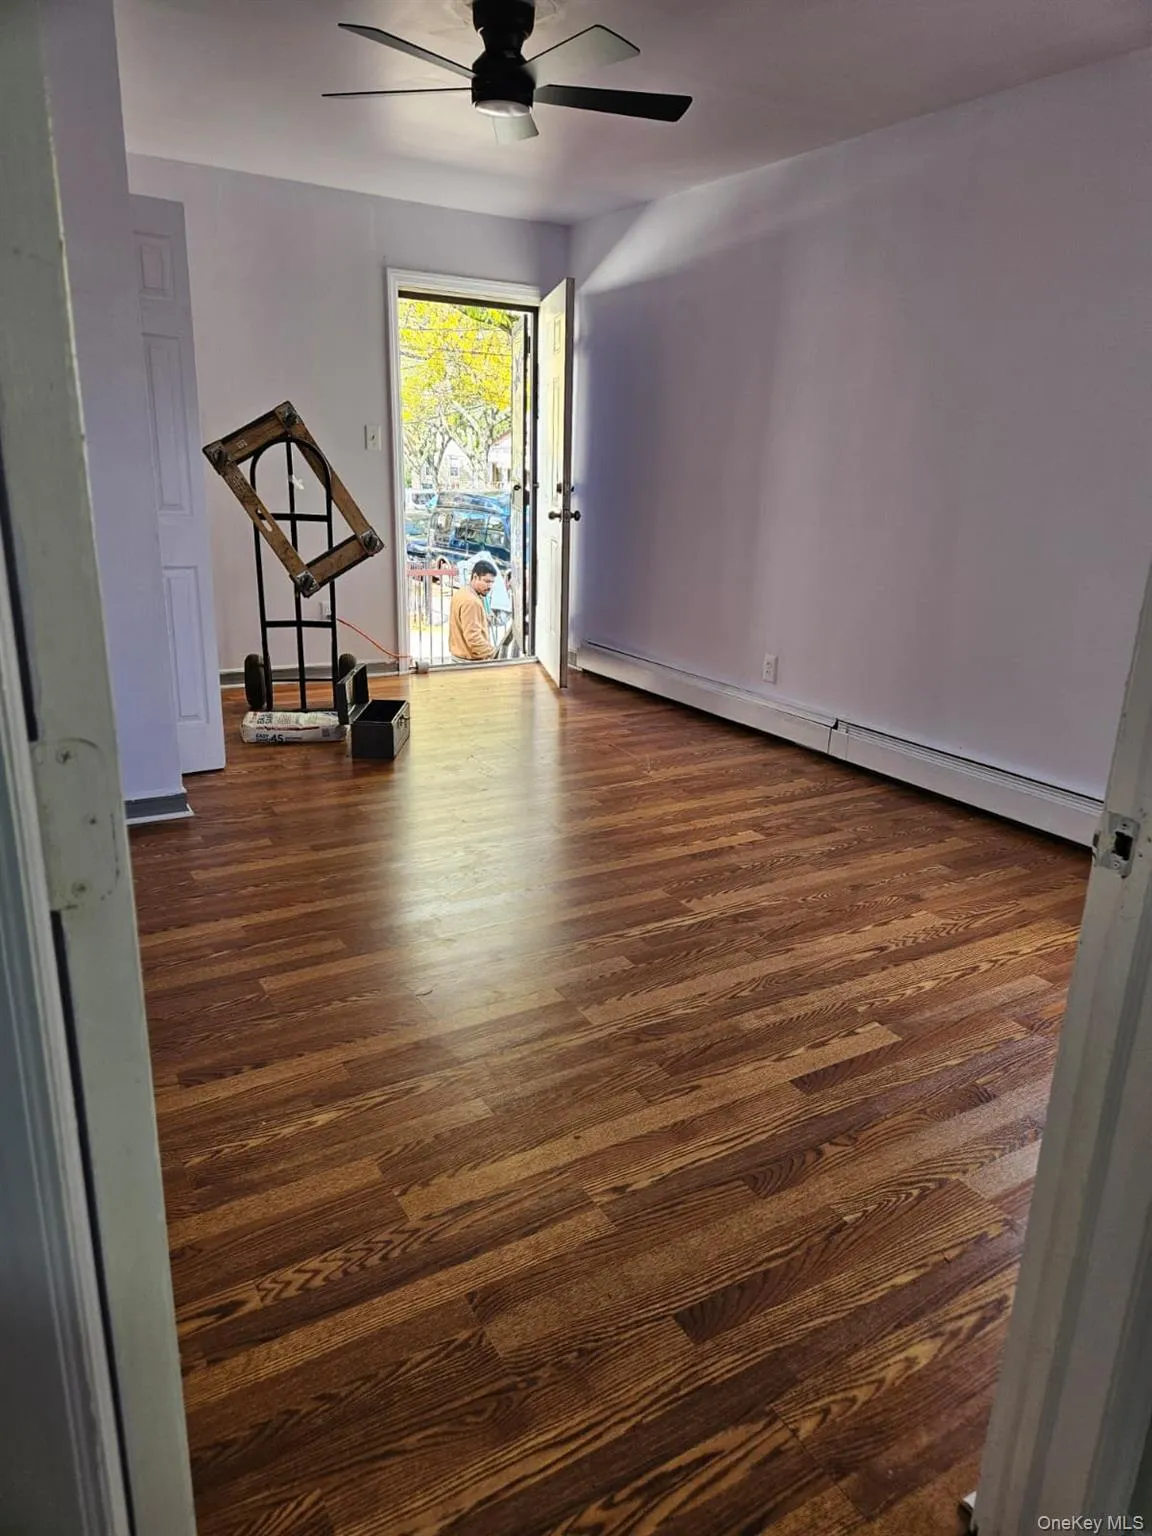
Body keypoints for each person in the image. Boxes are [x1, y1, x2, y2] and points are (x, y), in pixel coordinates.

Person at [448, 559, 499, 661]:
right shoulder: (472, 602)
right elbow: (473, 638)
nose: (489, 586)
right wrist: (493, 653)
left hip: (458, 657)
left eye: (492, 582)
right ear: (475, 577)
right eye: (486, 581)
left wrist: (484, 619)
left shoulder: (462, 592)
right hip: (468, 661)